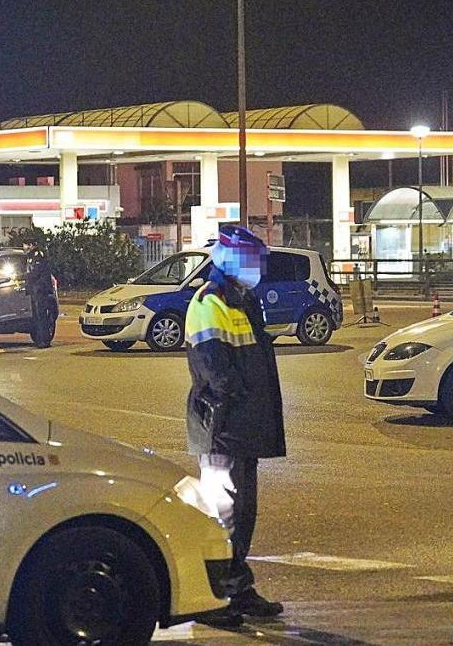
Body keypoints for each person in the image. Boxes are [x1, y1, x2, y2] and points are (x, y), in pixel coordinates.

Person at [185, 224, 285, 625]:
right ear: (228, 261)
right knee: (221, 515)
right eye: (249, 261)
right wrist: (238, 406)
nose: (256, 269)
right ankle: (210, 599)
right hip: (222, 429)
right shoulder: (211, 302)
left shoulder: (243, 300)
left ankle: (237, 590)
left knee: (242, 514)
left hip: (242, 428)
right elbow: (216, 373)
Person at [21, 240, 57, 348]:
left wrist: (21, 276)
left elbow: (35, 273)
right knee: (38, 316)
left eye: (26, 245)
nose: (24, 247)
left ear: (31, 245)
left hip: (41, 290)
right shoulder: (31, 256)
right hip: (35, 290)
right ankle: (40, 339)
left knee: (41, 316)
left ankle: (44, 341)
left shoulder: (38, 256)